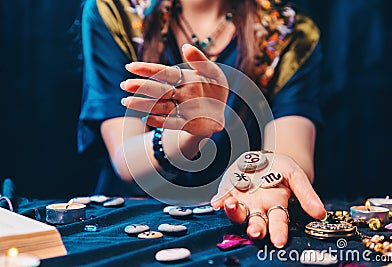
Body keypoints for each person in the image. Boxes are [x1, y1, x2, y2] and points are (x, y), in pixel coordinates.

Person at [78, 0, 326, 248]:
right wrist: (191, 134)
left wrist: (271, 175)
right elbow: (125, 159)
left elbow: (292, 152)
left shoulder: (289, 31)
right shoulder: (117, 12)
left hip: (237, 224)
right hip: (133, 227)